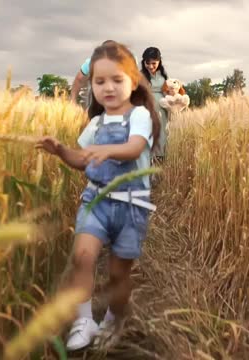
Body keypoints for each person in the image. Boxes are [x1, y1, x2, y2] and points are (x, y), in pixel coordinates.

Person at [35, 40, 161, 351]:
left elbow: (133, 147)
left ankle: (113, 320)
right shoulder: (95, 123)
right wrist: (62, 151)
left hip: (131, 206)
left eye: (117, 80)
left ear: (133, 82)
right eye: (100, 81)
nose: (108, 88)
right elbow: (82, 159)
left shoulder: (141, 117)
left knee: (118, 274)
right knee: (82, 257)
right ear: (92, 85)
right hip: (96, 201)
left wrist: (105, 150)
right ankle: (84, 320)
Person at [140, 47, 169, 162]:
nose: (150, 66)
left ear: (159, 61)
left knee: (162, 135)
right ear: (144, 62)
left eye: (154, 63)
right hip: (146, 111)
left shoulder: (163, 75)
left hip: (162, 112)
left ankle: (160, 162)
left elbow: (168, 91)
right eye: (148, 63)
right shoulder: (140, 75)